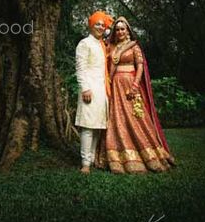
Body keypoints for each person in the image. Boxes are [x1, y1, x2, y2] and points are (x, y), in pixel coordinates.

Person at [97, 16, 176, 174]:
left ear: (127, 31)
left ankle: (147, 154)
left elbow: (139, 67)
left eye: (122, 29)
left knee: (136, 118)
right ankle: (117, 158)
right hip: (114, 86)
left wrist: (135, 85)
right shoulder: (111, 47)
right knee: (116, 118)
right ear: (115, 31)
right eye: (117, 29)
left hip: (130, 85)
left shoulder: (134, 47)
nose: (120, 31)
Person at [75, 11, 111, 173]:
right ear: (91, 25)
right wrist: (85, 88)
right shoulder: (85, 43)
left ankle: (91, 159)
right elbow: (80, 68)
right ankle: (85, 163)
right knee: (87, 126)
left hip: (102, 89)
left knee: (97, 126)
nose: (101, 27)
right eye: (97, 24)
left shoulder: (102, 44)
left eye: (103, 25)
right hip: (90, 89)